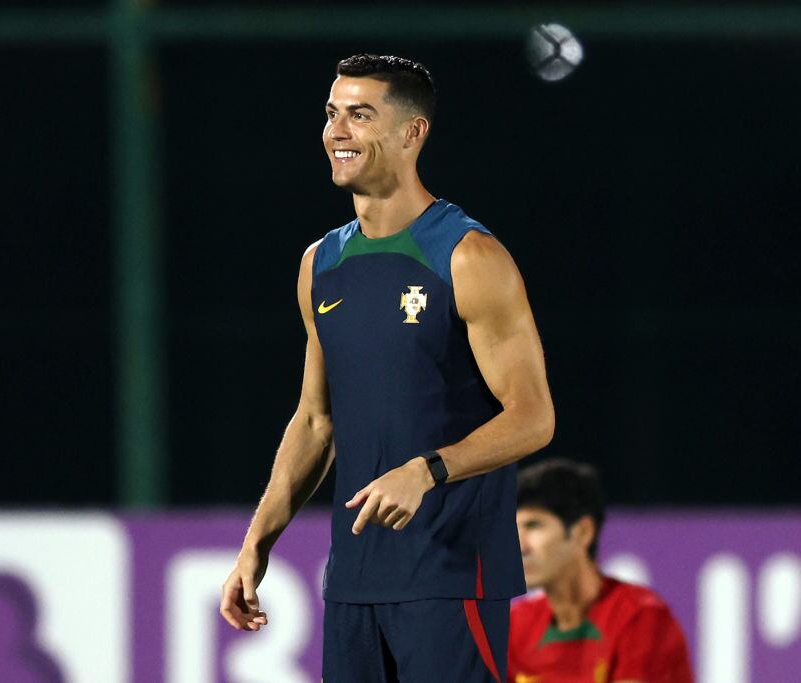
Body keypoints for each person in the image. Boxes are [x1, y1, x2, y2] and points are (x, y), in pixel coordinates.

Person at [220, 53, 554, 682]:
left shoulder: (467, 256)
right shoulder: (320, 263)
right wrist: (255, 545)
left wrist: (428, 471)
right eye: (331, 114)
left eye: (359, 115)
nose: (335, 131)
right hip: (353, 581)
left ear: (412, 133)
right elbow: (316, 420)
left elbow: (534, 417)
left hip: (451, 576)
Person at [508, 459, 693, 683]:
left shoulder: (641, 617)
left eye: (533, 526)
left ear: (582, 532)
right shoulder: (516, 627)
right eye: (513, 528)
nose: (520, 545)